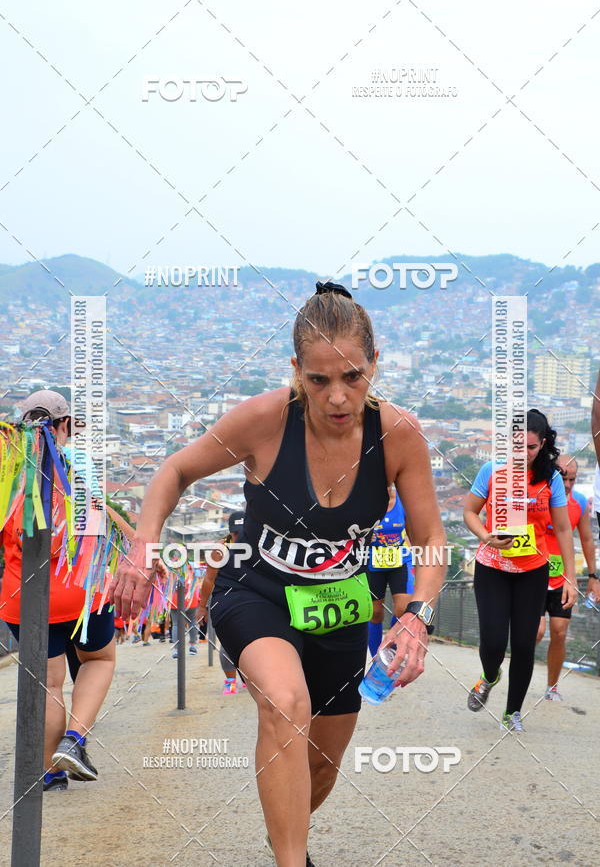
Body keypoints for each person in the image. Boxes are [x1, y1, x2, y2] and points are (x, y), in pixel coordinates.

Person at [111, 281, 446, 867]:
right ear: (297, 371)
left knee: (321, 763)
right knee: (285, 704)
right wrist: (144, 546)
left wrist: (418, 615)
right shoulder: (266, 419)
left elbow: (431, 538)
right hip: (257, 591)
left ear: (375, 364)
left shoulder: (398, 434)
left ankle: (284, 837)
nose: (337, 397)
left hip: (339, 604)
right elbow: (174, 469)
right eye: (319, 380)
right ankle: (293, 860)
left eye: (353, 377)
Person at [0, 391, 127, 790]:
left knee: (49, 683)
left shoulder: (7, 472)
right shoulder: (77, 466)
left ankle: (49, 773)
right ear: (64, 425)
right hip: (80, 591)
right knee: (98, 661)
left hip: (23, 597)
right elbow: (100, 516)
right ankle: (74, 740)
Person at [463, 408, 577, 733]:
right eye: (517, 446)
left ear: (542, 445)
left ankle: (512, 712)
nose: (522, 453)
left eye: (529, 447)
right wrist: (486, 536)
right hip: (492, 569)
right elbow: (469, 512)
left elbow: (564, 530)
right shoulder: (491, 470)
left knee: (525, 645)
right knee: (494, 643)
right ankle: (489, 675)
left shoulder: (550, 479)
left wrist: (569, 576)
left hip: (533, 572)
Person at [536, 454, 600, 700]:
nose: (569, 485)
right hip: (535, 575)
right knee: (537, 632)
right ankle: (517, 670)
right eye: (564, 478)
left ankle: (552, 687)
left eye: (572, 479)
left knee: (560, 631)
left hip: (562, 578)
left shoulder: (580, 503)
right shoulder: (541, 498)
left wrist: (593, 575)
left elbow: (586, 539)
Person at [197, 510, 247, 694]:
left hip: (250, 601)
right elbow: (209, 580)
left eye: (241, 533)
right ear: (230, 532)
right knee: (227, 643)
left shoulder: (257, 546)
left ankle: (247, 678)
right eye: (235, 534)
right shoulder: (220, 550)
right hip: (225, 601)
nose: (238, 537)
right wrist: (202, 607)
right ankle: (230, 680)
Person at [367, 485, 414, 657]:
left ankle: (389, 650)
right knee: (375, 613)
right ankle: (375, 658)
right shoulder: (366, 500)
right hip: (372, 560)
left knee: (403, 609)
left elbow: (411, 531)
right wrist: (365, 536)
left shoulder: (403, 500)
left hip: (399, 558)